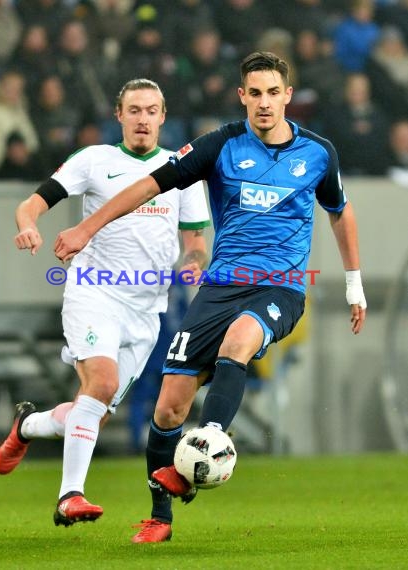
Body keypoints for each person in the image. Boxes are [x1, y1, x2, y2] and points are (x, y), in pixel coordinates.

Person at [52, 51, 367, 543]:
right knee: (168, 409)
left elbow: (339, 211)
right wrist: (86, 226)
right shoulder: (220, 145)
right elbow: (149, 185)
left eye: (273, 93)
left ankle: (211, 442)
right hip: (220, 287)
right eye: (255, 93)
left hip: (279, 286)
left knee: (238, 342)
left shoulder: (318, 153)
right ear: (243, 96)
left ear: (288, 95)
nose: (264, 104)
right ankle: (160, 517)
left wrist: (354, 283)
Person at [0, 78, 210, 527]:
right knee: (103, 384)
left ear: (163, 117)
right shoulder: (95, 160)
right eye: (134, 110)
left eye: (151, 110)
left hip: (147, 309)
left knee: (91, 411)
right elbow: (32, 202)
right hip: (93, 291)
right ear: (119, 116)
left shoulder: (182, 169)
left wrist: (193, 261)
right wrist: (29, 224)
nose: (143, 118)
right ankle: (69, 496)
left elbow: (195, 239)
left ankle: (28, 426)